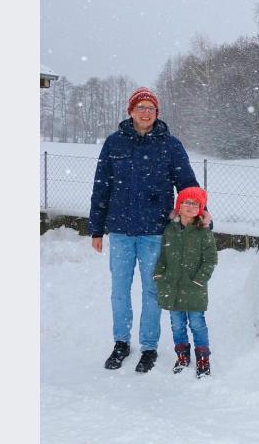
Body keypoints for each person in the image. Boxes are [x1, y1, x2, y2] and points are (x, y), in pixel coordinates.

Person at [90, 87, 203, 373]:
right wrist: (96, 229)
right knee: (119, 291)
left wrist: (197, 213)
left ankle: (149, 347)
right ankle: (121, 343)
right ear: (130, 111)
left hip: (155, 232)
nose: (145, 112)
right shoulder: (114, 144)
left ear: (157, 113)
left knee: (152, 291)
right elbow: (101, 187)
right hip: (120, 231)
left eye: (150, 108)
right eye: (140, 107)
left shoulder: (170, 145)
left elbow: (188, 185)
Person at [152, 187, 218, 378]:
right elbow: (163, 257)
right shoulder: (169, 230)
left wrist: (199, 280)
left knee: (197, 323)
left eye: (195, 204)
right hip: (171, 286)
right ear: (178, 206)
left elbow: (211, 259)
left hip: (194, 288)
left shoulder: (203, 233)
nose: (190, 206)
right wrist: (159, 274)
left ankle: (203, 358)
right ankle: (182, 356)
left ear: (201, 209)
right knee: (177, 324)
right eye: (186, 202)